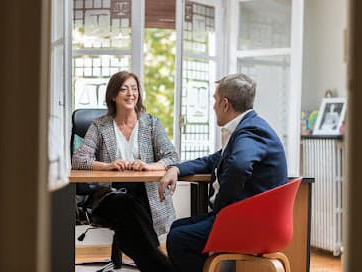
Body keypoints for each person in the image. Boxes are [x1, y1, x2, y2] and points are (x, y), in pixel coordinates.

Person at [158, 73, 288, 272]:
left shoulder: (251, 131)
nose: (213, 106)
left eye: (215, 100)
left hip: (253, 226)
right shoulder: (247, 128)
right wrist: (176, 168)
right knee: (177, 228)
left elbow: (239, 166)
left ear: (225, 104)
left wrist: (221, 207)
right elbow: (214, 160)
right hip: (249, 220)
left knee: (179, 239)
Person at [72, 71, 178, 271]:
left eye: (134, 88)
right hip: (110, 196)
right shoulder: (100, 126)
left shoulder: (151, 124)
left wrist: (149, 166)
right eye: (124, 89)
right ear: (113, 95)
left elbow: (171, 156)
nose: (131, 93)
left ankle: (144, 256)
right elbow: (79, 159)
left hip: (148, 195)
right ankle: (162, 266)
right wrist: (107, 165)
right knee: (126, 204)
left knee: (132, 212)